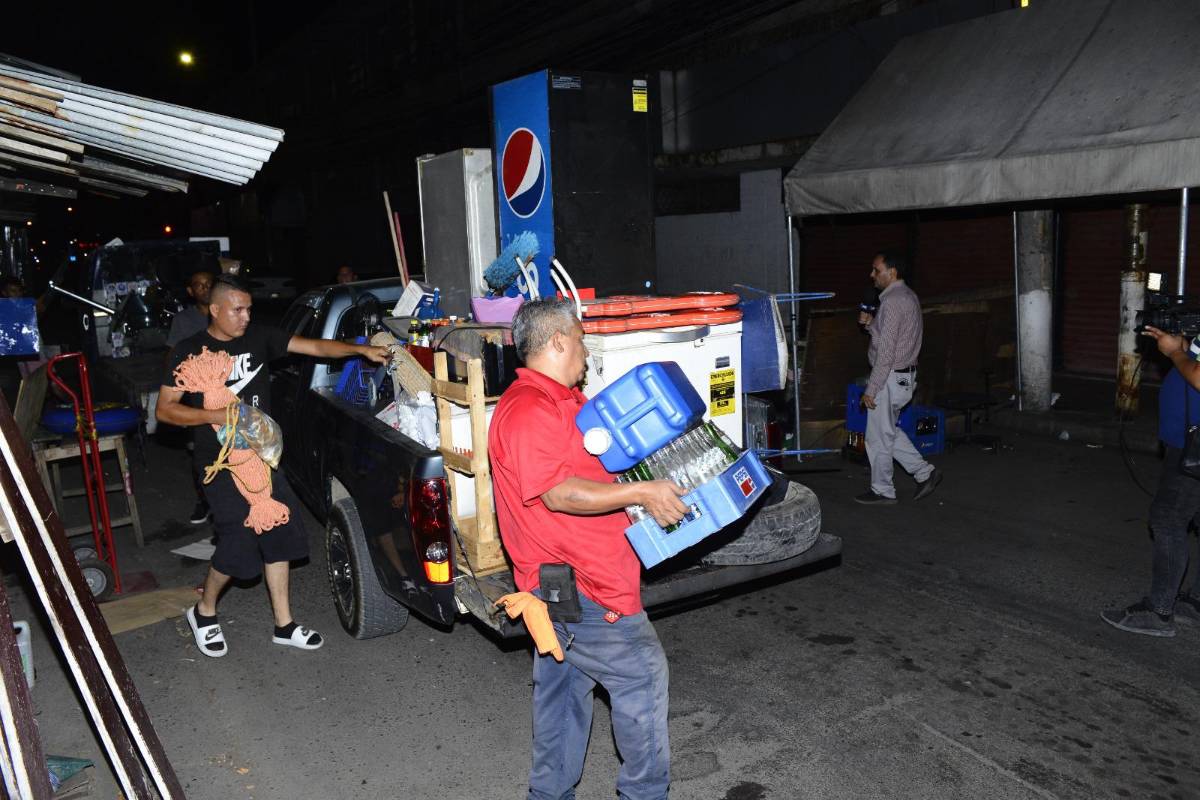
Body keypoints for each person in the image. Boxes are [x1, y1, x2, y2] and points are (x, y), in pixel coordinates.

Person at [489, 298, 688, 800]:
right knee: (642, 679)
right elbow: (557, 492)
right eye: (580, 337)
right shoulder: (529, 409)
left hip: (562, 590)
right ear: (557, 341)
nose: (586, 349)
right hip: (586, 587)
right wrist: (642, 493)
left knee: (562, 699)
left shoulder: (563, 402)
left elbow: (591, 468)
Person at [157, 274, 389, 657]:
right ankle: (204, 611)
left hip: (262, 456)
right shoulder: (189, 350)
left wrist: (358, 351)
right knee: (239, 540)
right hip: (220, 462)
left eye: (249, 308)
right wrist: (214, 414)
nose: (246, 316)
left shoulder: (259, 337)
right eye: (237, 309)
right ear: (215, 310)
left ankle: (284, 624)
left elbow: (312, 345)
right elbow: (165, 410)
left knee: (279, 530)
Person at [1102, 324, 1200, 637]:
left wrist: (1174, 353)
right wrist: (1184, 350)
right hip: (1188, 442)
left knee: (1168, 519)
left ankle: (1159, 612)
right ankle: (1196, 603)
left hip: (1195, 448)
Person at [856, 251, 942, 505]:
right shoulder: (907, 295)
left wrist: (872, 388)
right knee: (888, 431)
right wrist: (871, 325)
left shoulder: (892, 302)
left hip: (890, 377)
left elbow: (886, 352)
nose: (872, 275)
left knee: (878, 438)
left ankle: (883, 491)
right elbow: (892, 339)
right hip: (903, 377)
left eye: (876, 270)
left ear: (891, 272)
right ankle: (925, 473)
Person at [167, 270, 216, 524]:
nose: (205, 289)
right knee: (199, 452)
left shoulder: (226, 313)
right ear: (190, 291)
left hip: (225, 393)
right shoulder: (184, 320)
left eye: (209, 284)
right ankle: (205, 501)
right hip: (195, 395)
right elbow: (173, 358)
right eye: (199, 285)